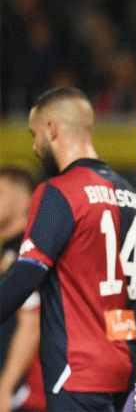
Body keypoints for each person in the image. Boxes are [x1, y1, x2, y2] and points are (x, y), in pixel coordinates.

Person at [0, 87, 136, 412]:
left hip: (77, 370)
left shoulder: (58, 192)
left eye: (34, 134)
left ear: (52, 129)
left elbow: (25, 276)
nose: (34, 145)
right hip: (124, 365)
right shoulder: (132, 195)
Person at [0, 167, 45, 412]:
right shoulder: (10, 251)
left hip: (26, 394)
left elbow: (31, 324)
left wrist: (5, 388)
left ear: (25, 199)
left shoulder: (32, 253)